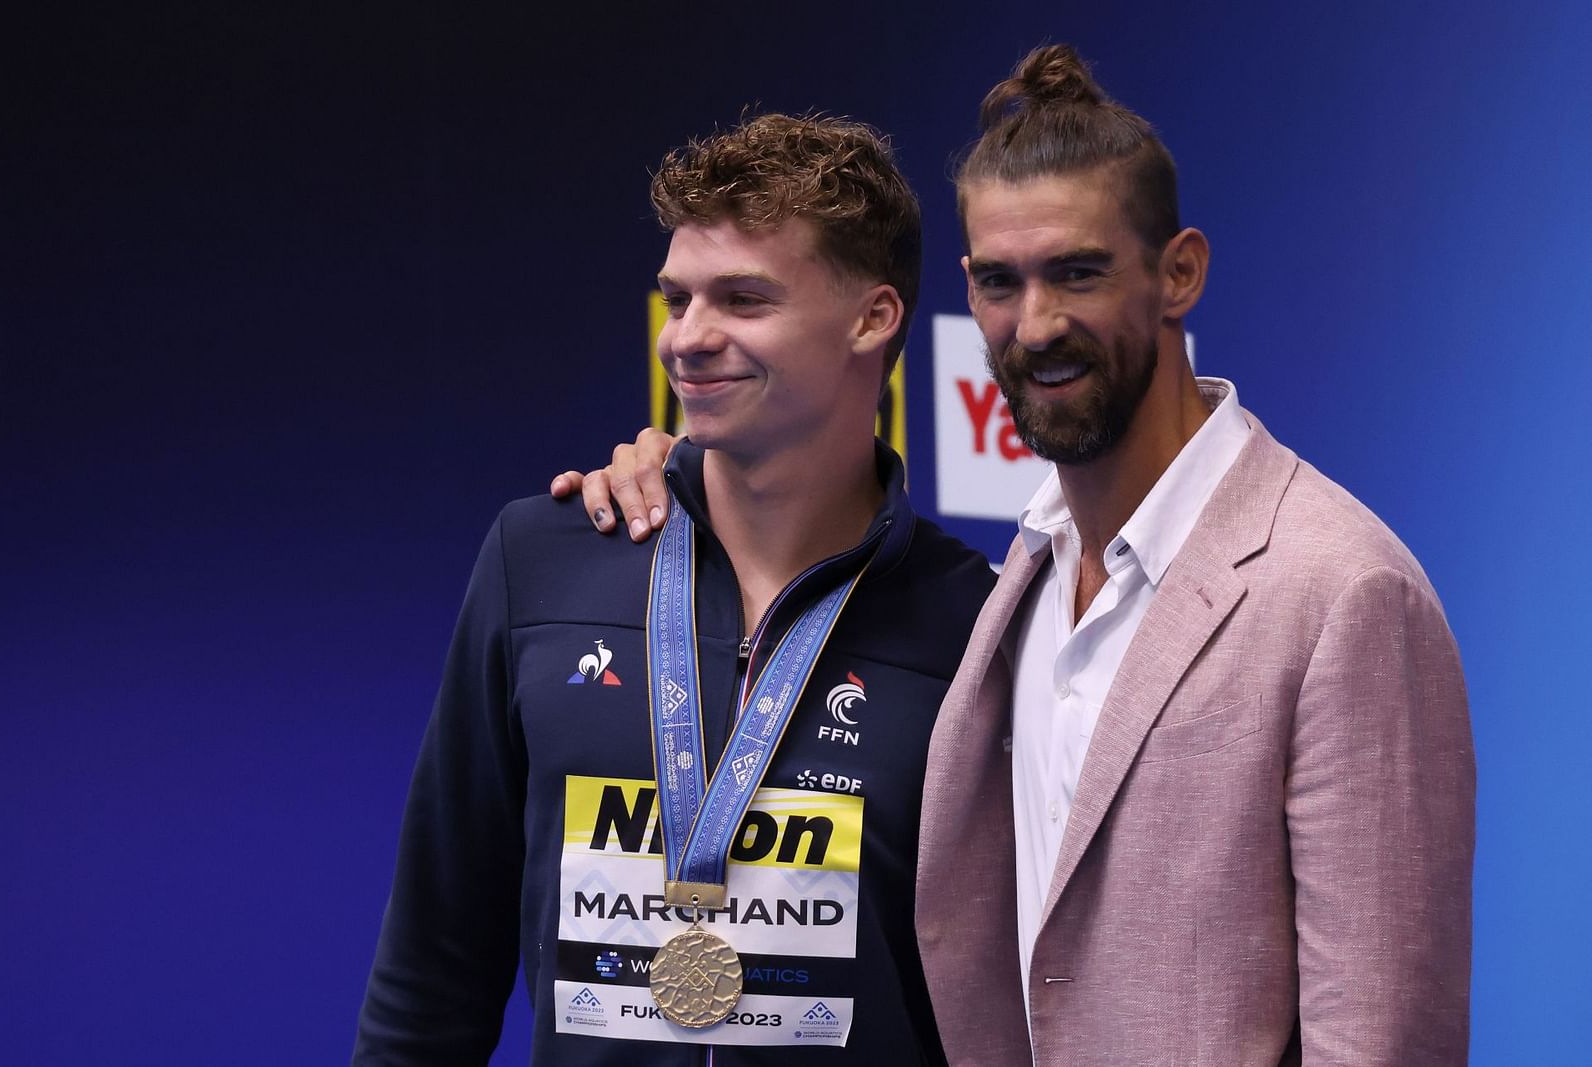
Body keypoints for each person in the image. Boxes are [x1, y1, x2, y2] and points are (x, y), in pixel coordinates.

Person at [558, 45, 1475, 1066]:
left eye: (1077, 272)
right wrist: (676, 464)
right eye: (1001, 281)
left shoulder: (1340, 587)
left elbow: (1385, 1036)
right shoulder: (1012, 587)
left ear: (1179, 272)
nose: (1035, 324)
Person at [353, 113, 993, 1064]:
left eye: (741, 298)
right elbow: (433, 973)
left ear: (873, 317)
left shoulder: (974, 621)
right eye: (676, 298)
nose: (687, 339)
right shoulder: (545, 558)